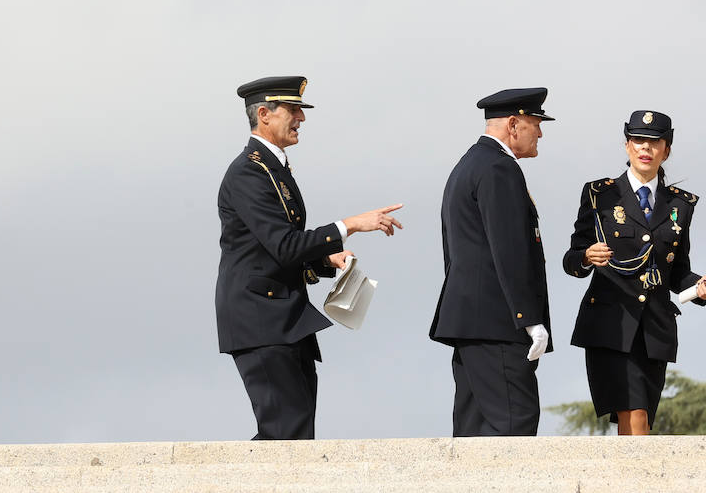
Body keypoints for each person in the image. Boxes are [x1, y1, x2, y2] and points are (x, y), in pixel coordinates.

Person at [215, 76, 404, 440]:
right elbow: (283, 244)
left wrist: (324, 262)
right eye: (293, 110)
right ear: (265, 115)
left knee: (295, 435)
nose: (301, 118)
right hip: (262, 319)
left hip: (282, 319)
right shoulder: (248, 172)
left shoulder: (272, 168)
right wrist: (350, 224)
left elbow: (274, 250)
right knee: (284, 435)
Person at [562, 110, 706, 435]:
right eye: (638, 141)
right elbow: (571, 259)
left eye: (654, 142)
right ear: (627, 145)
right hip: (611, 324)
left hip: (655, 330)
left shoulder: (681, 205)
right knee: (634, 415)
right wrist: (587, 257)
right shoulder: (600, 195)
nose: (645, 148)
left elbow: (677, 272)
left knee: (640, 417)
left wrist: (700, 286)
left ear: (667, 149)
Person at [429, 87, 555, 436]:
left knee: (474, 432)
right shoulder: (499, 169)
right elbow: (509, 248)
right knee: (514, 424)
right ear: (514, 125)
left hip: (471, 323)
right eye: (536, 123)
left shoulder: (470, 164)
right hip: (498, 325)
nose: (540, 132)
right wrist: (528, 318)